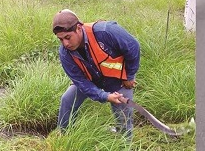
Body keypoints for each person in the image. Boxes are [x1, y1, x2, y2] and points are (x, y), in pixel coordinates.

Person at [53, 9, 140, 140]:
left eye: (67, 37)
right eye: (60, 39)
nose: (65, 43)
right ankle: (63, 136)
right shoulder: (65, 53)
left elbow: (133, 47)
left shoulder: (106, 31)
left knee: (123, 113)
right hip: (90, 79)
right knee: (67, 99)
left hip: (117, 79)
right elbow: (81, 82)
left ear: (78, 28)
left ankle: (125, 148)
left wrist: (130, 76)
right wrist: (104, 96)